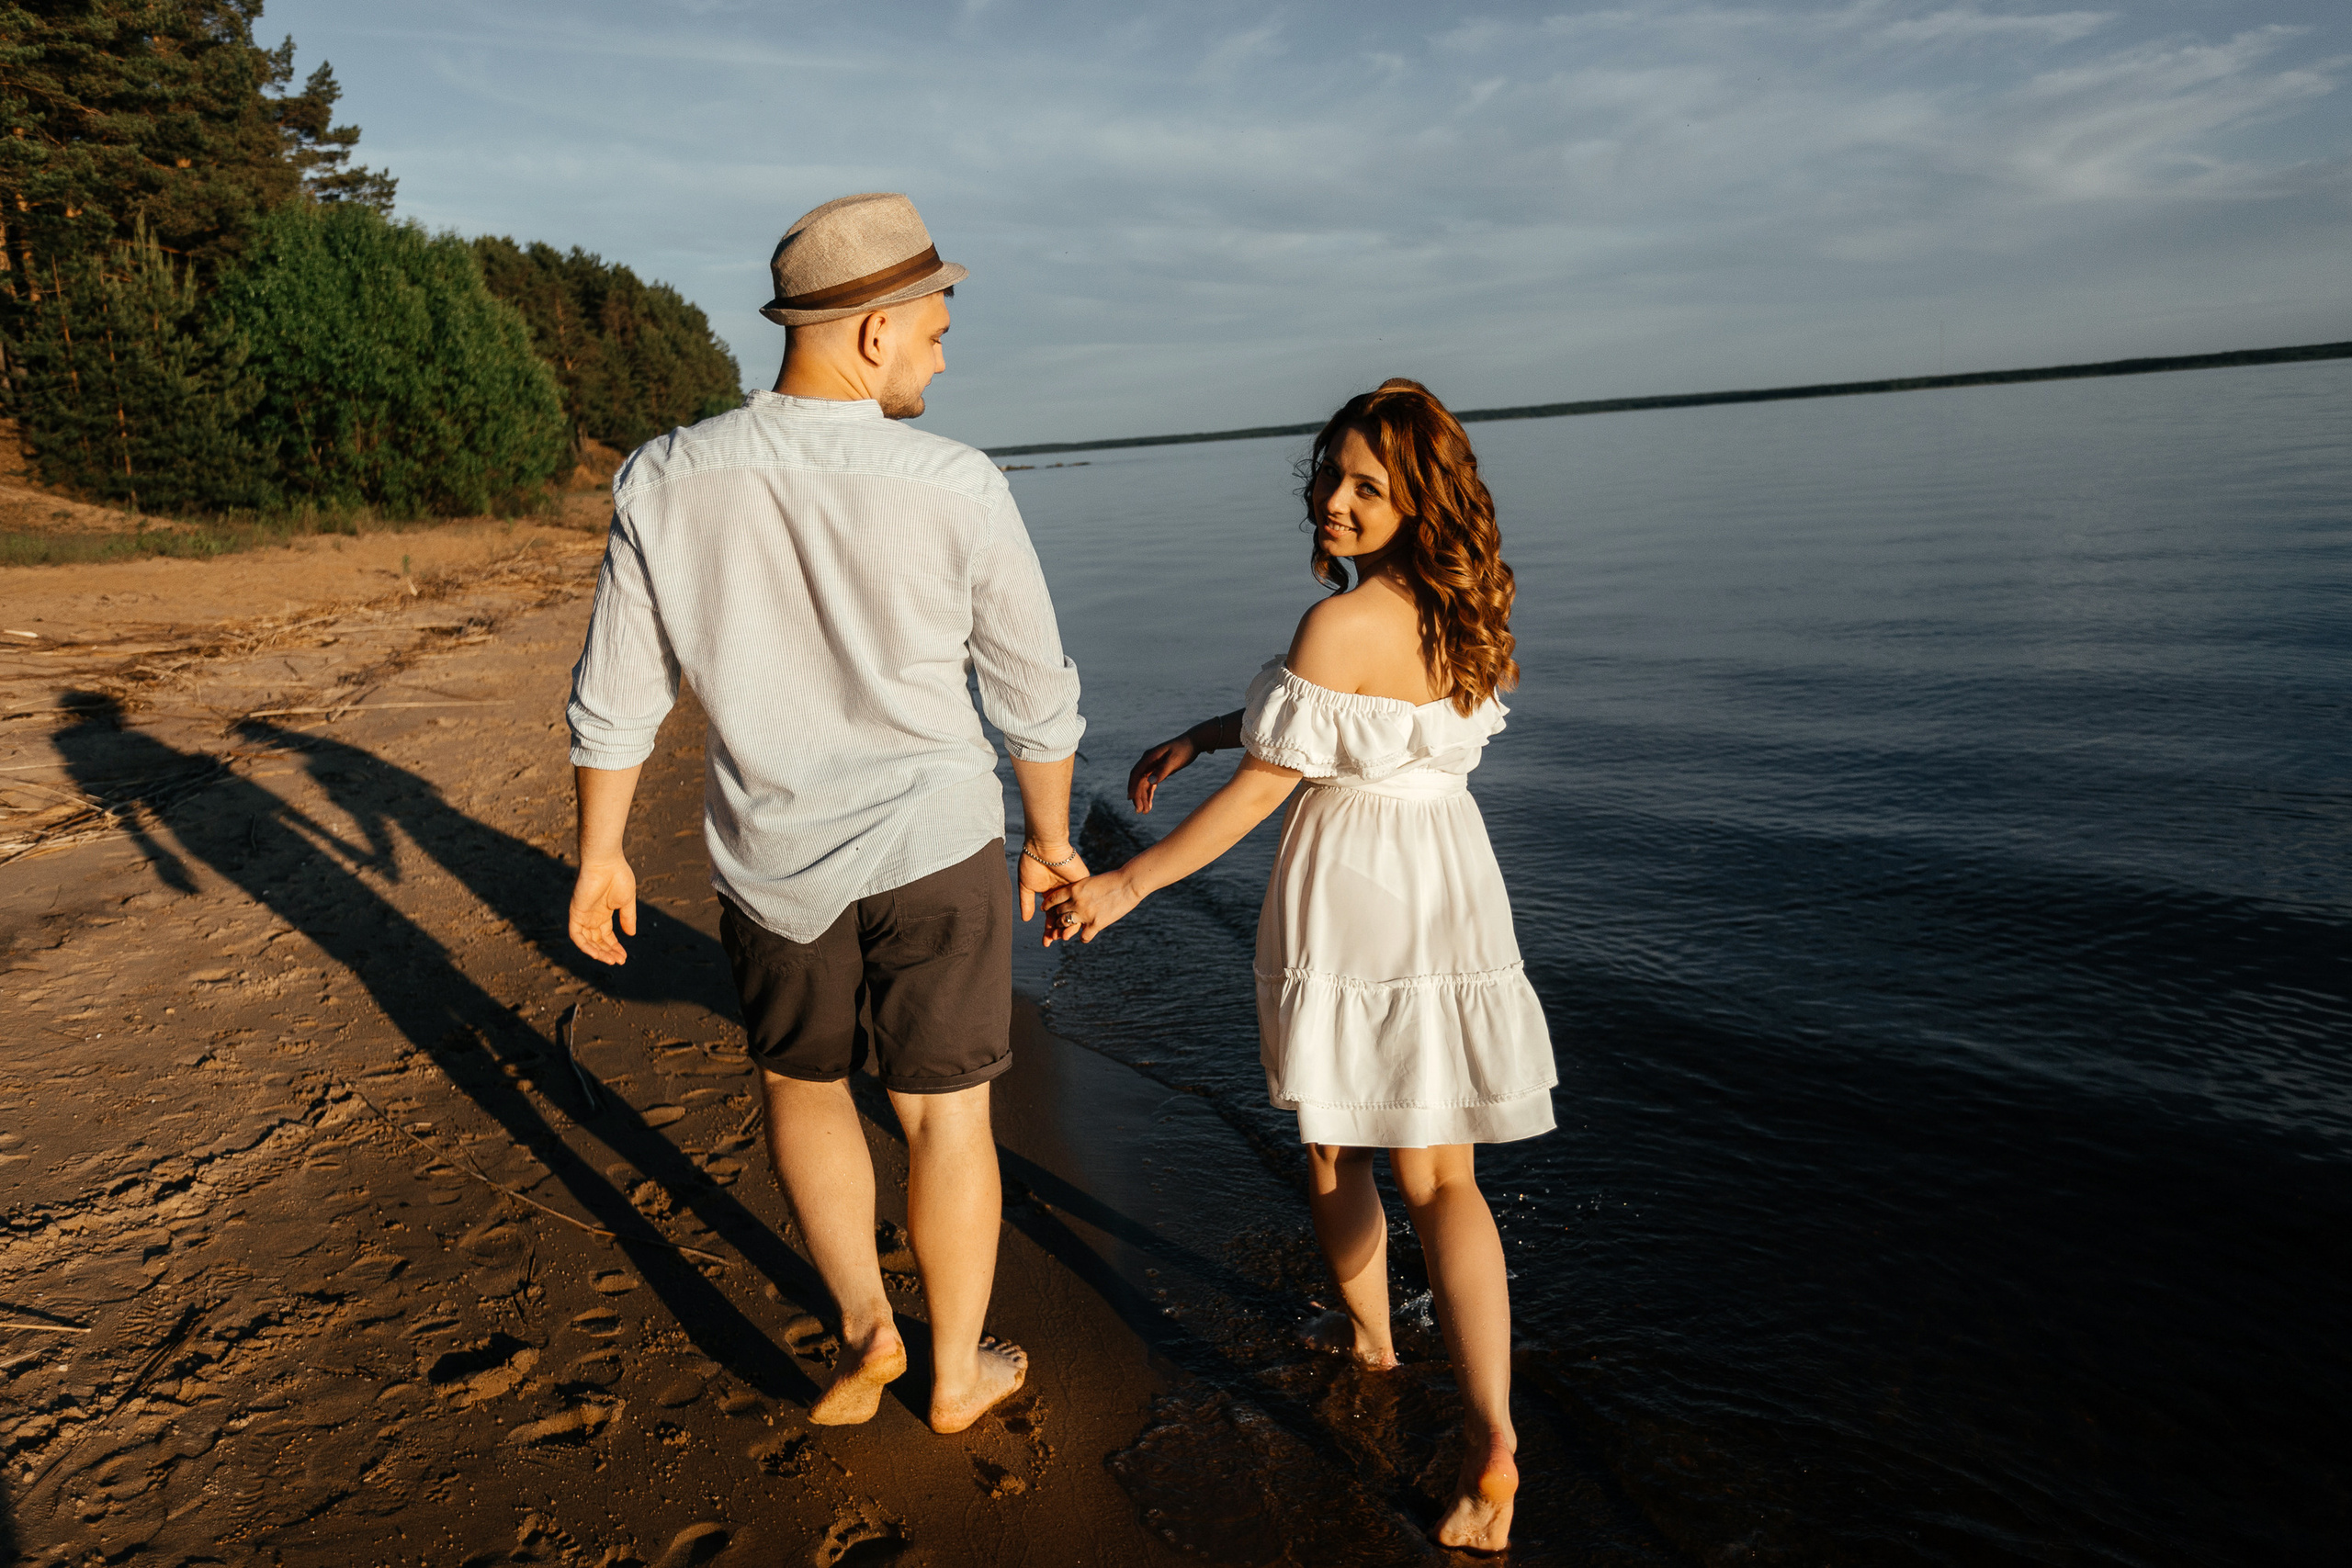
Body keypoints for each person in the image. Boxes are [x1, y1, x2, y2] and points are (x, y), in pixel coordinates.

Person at [563, 192, 1088, 1434]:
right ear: (872, 331)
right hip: (935, 835)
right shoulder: (957, 482)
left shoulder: (667, 478)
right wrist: (1055, 839)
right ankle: (958, 1371)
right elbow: (1035, 694)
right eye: (936, 328)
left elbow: (616, 696)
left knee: (803, 1086)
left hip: (772, 852)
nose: (944, 354)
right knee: (945, 1111)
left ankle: (865, 1324)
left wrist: (600, 855)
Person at [1039, 378, 1553, 1551]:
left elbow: (1274, 784)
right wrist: (1212, 728)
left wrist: (1125, 883)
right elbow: (1354, 716)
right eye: (1330, 474)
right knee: (1447, 1179)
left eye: (1368, 485)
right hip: (1450, 886)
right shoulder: (1465, 606)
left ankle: (1382, 1348)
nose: (1334, 499)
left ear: (1418, 498)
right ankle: (1490, 1434)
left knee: (1334, 1142)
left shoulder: (1338, 623)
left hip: (1358, 892)